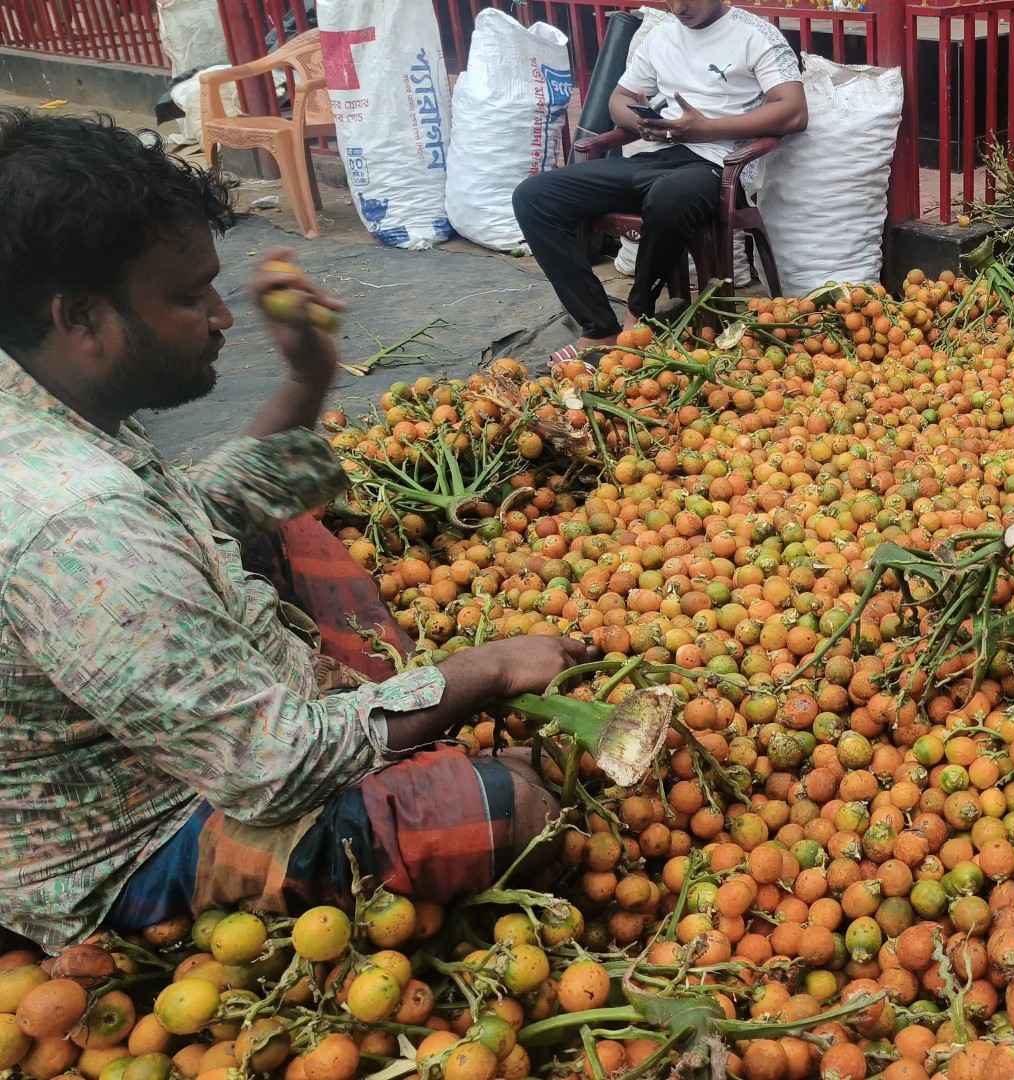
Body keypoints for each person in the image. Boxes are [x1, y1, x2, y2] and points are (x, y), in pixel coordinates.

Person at [0, 108, 588, 952]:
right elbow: (268, 772)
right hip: (135, 836)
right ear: (82, 319)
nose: (222, 317)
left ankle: (382, 713)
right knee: (513, 810)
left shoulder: (44, 398)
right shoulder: (80, 526)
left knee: (289, 526)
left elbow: (201, 512)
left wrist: (309, 373)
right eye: (187, 296)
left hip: (176, 710)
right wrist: (481, 670)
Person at [513, 0, 808, 364]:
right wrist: (644, 125)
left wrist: (705, 130)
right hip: (660, 155)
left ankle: (640, 314)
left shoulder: (756, 35)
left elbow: (794, 110)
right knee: (534, 196)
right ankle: (599, 326)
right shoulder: (661, 36)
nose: (679, 7)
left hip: (717, 164)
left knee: (670, 196)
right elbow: (619, 99)